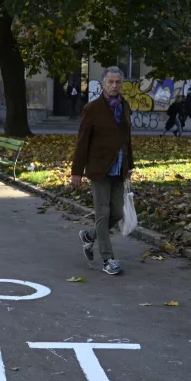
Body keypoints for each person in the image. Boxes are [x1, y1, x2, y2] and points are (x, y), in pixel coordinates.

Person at [70, 67, 135, 275]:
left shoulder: (124, 106)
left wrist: (130, 165)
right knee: (102, 213)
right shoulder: (93, 108)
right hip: (99, 168)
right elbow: (82, 142)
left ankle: (89, 236)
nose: (114, 85)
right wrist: (76, 172)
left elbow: (127, 139)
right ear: (103, 84)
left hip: (119, 168)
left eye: (117, 82)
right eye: (110, 82)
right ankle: (108, 259)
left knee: (117, 213)